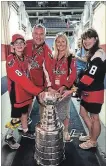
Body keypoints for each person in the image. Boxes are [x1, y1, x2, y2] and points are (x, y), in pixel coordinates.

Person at [5, 34, 44, 149]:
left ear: (25, 44)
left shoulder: (25, 58)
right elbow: (21, 79)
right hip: (16, 93)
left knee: (25, 112)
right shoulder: (10, 60)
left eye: (21, 42)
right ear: (12, 46)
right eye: (16, 43)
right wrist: (37, 91)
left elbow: (30, 73)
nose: (19, 45)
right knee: (16, 117)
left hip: (25, 92)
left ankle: (25, 130)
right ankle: (8, 136)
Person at [77, 28, 106, 149]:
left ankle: (93, 141)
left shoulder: (98, 55)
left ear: (96, 39)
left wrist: (76, 87)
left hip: (95, 91)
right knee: (83, 113)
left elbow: (89, 77)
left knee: (94, 117)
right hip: (88, 90)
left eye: (89, 38)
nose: (86, 41)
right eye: (84, 39)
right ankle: (91, 134)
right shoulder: (93, 53)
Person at [23, 24, 55, 121]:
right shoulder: (25, 44)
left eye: (41, 34)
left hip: (40, 85)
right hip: (26, 82)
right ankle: (25, 121)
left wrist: (48, 87)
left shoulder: (47, 51)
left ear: (45, 35)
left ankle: (44, 124)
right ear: (32, 34)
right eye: (36, 33)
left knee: (43, 104)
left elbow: (48, 72)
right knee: (25, 105)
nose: (38, 36)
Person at [50, 32, 76, 141]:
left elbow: (73, 74)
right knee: (54, 111)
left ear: (67, 42)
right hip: (53, 89)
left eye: (63, 41)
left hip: (65, 89)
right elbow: (50, 72)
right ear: (55, 43)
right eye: (58, 41)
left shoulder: (71, 56)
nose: (60, 44)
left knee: (64, 111)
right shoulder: (52, 56)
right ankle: (56, 130)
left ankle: (65, 131)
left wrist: (65, 86)